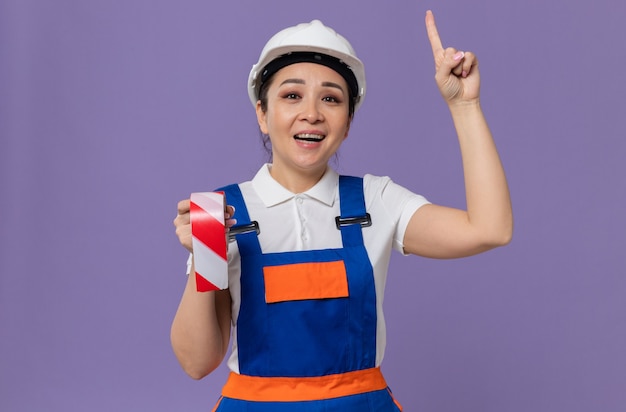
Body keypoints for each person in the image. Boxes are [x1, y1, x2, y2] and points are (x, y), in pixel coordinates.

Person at [171, 10, 512, 411]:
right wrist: (203, 254)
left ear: (348, 122)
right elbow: (197, 362)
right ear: (263, 114)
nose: (311, 112)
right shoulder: (219, 213)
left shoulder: (376, 201)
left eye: (331, 98)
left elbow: (490, 229)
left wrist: (464, 106)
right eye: (291, 95)